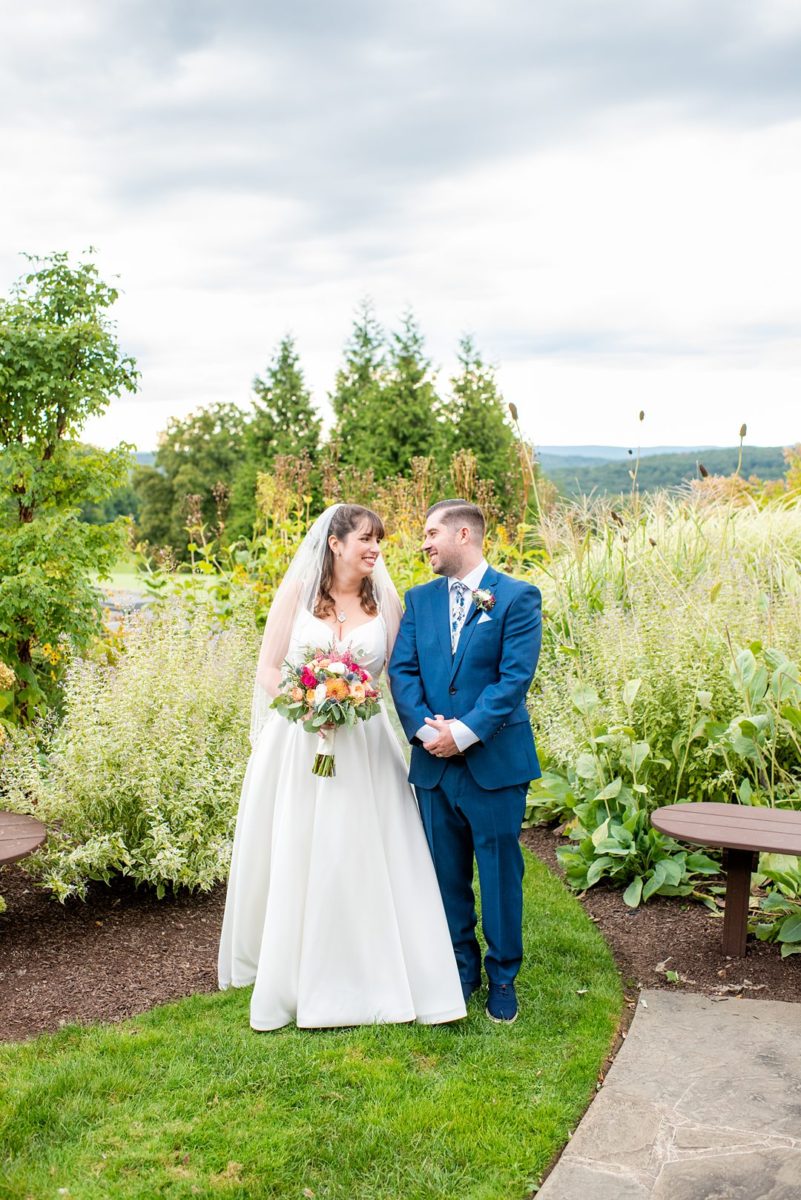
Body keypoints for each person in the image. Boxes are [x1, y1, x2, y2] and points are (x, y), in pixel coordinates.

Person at [218, 503, 466, 1031]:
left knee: (361, 848)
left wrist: (429, 726)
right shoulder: (299, 596)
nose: (375, 550)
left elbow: (401, 677)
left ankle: (373, 967)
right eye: (366, 540)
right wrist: (305, 699)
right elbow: (267, 666)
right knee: (301, 849)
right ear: (335, 544)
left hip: (364, 744)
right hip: (299, 743)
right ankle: (291, 967)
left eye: (379, 541)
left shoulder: (387, 605)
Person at [389, 500, 542, 1024]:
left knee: (500, 873)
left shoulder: (517, 598)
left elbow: (513, 679)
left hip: (494, 763)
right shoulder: (419, 600)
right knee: (443, 876)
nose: (424, 543)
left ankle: (503, 978)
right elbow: (402, 673)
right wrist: (425, 731)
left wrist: (466, 732)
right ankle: (459, 971)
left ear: (463, 534)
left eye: (431, 533)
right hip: (433, 764)